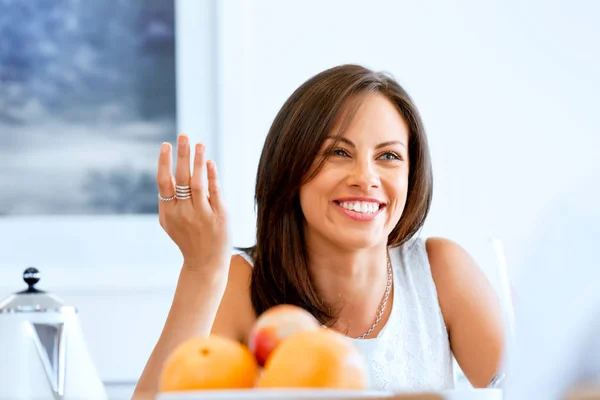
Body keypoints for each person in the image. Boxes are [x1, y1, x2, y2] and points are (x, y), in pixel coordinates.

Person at [133, 64, 505, 397]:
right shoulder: (242, 284)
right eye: (338, 153)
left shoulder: (440, 270)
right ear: (290, 168)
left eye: (388, 156)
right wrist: (202, 268)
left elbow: (540, 390)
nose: (365, 178)